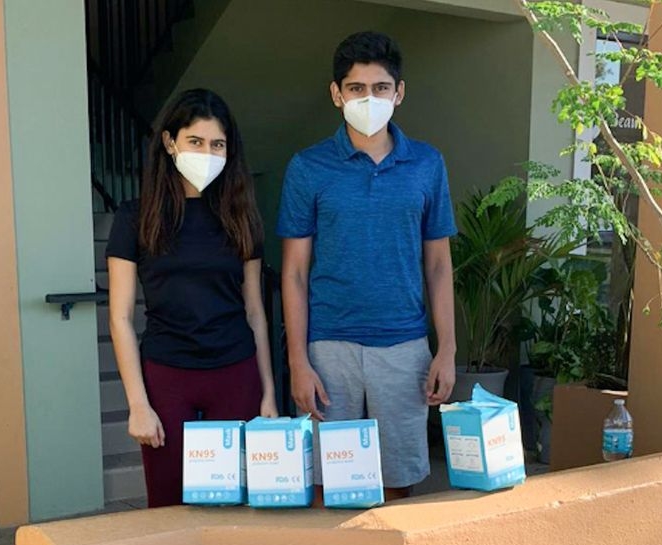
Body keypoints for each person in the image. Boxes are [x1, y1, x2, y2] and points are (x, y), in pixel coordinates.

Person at [276, 31, 457, 501]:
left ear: (399, 93)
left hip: (404, 346)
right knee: (324, 486)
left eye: (380, 88)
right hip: (328, 348)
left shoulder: (427, 164)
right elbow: (293, 273)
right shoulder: (308, 167)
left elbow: (438, 264)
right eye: (356, 88)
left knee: (398, 483)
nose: (368, 98)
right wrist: (298, 361)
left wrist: (447, 350)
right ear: (337, 94)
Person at [107, 88, 278, 508]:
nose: (207, 153)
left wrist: (269, 393)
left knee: (236, 502)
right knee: (167, 504)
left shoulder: (242, 217)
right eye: (195, 142)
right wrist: (137, 404)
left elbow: (256, 313)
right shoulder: (135, 217)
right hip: (167, 375)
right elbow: (120, 318)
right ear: (170, 143)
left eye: (217, 144)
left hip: (235, 372)